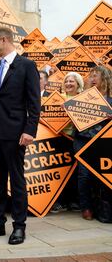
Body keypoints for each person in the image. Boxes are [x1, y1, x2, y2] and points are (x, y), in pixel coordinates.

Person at [0, 27, 41, 245]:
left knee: (17, 180)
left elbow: (34, 102)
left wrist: (30, 130)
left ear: (4, 40)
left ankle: (19, 227)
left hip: (15, 133)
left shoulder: (27, 66)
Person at [73, 66, 112, 220]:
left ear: (106, 79)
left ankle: (102, 206)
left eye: (97, 76)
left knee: (102, 176)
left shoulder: (110, 100)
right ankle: (86, 207)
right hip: (83, 140)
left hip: (103, 143)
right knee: (84, 175)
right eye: (91, 76)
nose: (93, 79)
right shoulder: (82, 97)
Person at [50, 72, 84, 214]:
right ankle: (58, 201)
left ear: (79, 84)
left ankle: (74, 201)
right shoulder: (58, 98)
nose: (69, 84)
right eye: (67, 81)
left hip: (76, 139)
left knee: (74, 173)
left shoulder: (83, 99)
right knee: (59, 172)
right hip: (58, 138)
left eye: (72, 81)